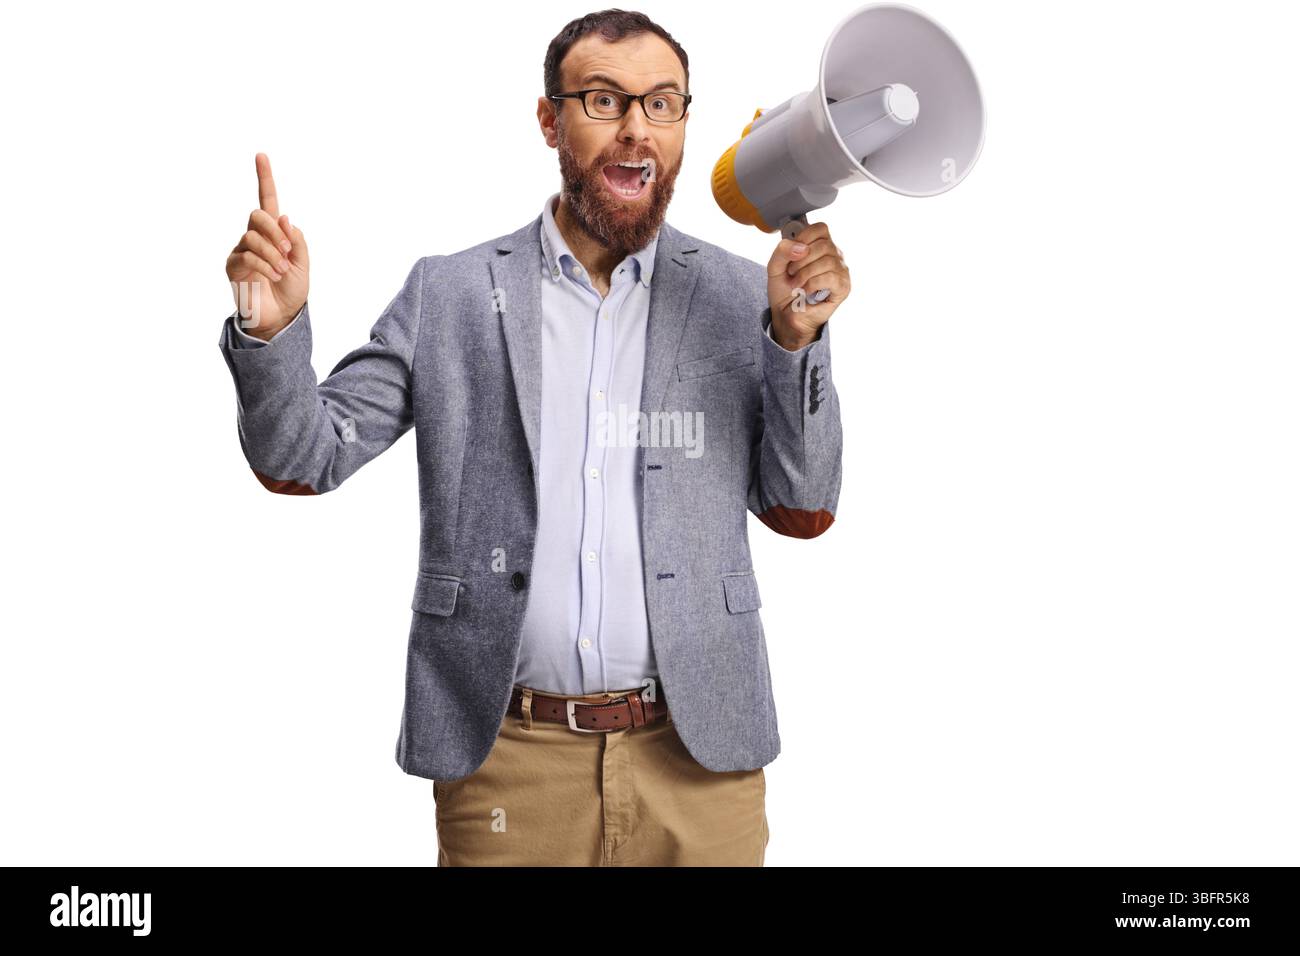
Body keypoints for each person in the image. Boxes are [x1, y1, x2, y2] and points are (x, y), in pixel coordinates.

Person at [217, 9, 848, 866]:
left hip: (700, 766)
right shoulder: (449, 296)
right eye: (603, 100)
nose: (636, 129)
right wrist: (272, 331)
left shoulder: (745, 298)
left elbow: (802, 506)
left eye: (663, 104)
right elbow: (304, 456)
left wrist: (796, 340)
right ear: (550, 120)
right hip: (509, 762)